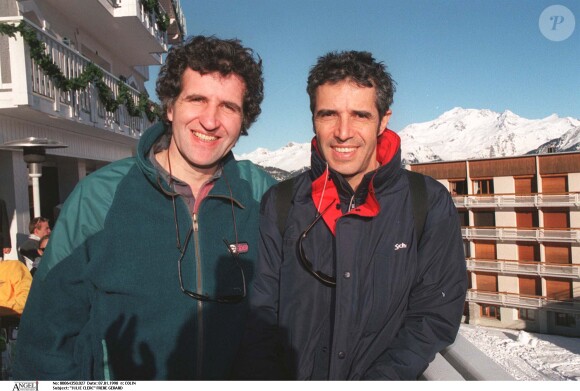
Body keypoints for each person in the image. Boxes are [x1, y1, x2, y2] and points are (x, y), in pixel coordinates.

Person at [13, 35, 276, 380]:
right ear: (170, 107)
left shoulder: (262, 194)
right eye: (196, 99)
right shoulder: (101, 197)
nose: (211, 121)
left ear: (244, 121)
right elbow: (46, 337)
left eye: (228, 106)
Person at [235, 51, 467, 380]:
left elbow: (435, 313)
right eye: (329, 114)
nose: (343, 132)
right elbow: (261, 316)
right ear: (313, 117)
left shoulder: (426, 203)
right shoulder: (282, 204)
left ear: (383, 120)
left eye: (359, 115)